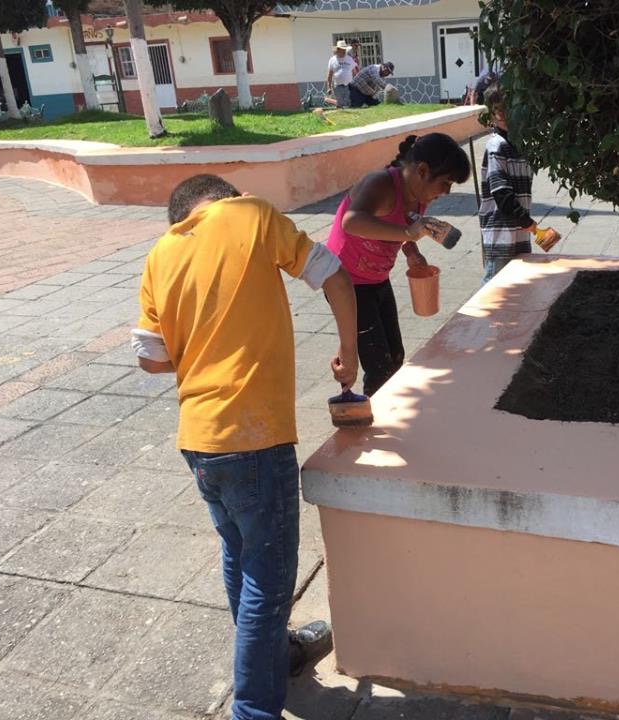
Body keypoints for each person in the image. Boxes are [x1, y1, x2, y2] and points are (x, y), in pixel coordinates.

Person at [131, 174, 358, 720]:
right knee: (269, 580)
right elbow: (333, 274)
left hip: (199, 439)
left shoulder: (161, 253)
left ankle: (277, 655)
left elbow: (151, 358)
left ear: (183, 215)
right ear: (225, 196)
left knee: (239, 552)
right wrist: (349, 353)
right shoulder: (250, 214)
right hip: (254, 436)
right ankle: (253, 710)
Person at [326, 133, 470, 396]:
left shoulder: (419, 197)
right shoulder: (380, 184)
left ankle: (375, 407)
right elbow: (351, 221)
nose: (447, 192)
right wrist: (408, 234)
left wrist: (411, 251)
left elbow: (401, 227)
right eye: (446, 182)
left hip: (376, 277)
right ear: (422, 171)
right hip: (346, 281)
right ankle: (374, 422)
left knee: (394, 356)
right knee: (379, 367)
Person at [479, 83, 560, 282]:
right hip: (501, 237)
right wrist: (529, 224)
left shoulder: (519, 147)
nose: (502, 115)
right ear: (491, 114)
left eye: (507, 108)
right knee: (493, 289)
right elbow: (501, 194)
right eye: (497, 110)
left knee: (514, 287)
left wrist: (528, 226)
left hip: (518, 235)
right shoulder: (496, 146)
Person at [326, 39, 356, 108]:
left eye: (345, 49)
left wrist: (356, 83)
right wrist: (329, 87)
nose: (344, 51)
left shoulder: (349, 59)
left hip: (349, 85)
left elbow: (354, 72)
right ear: (338, 50)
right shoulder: (332, 60)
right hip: (338, 86)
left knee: (349, 103)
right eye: (342, 49)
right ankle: (340, 114)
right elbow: (329, 75)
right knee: (340, 103)